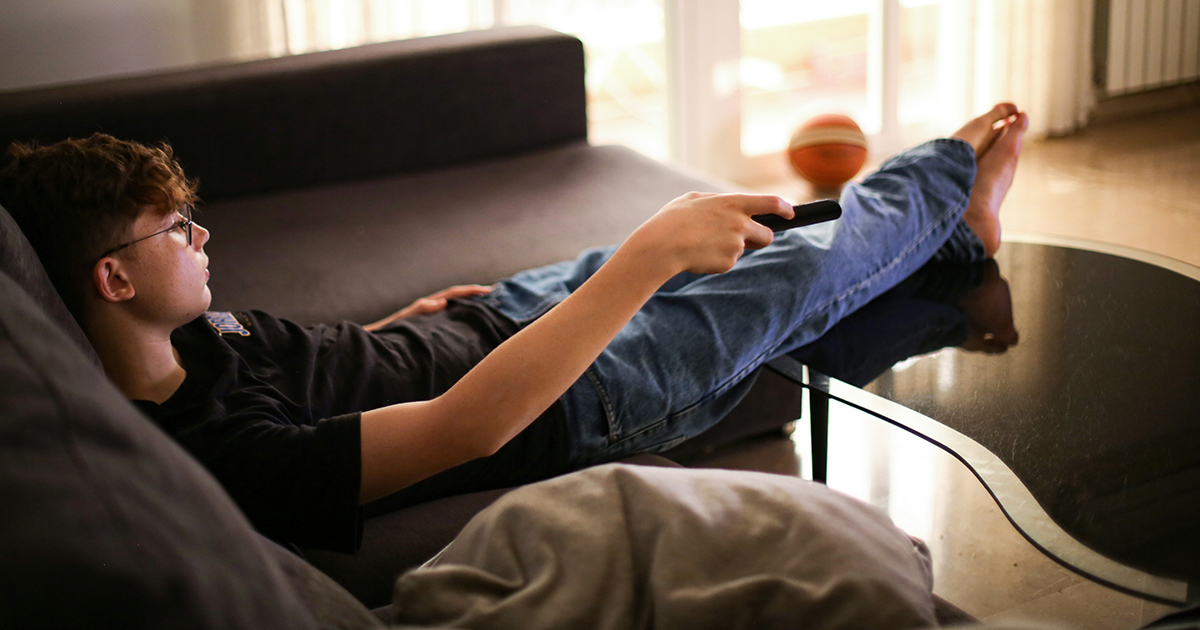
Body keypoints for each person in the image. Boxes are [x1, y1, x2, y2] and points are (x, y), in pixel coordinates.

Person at [0, 103, 1028, 552]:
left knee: (753, 262)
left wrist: (411, 317)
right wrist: (646, 257)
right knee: (795, 258)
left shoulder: (187, 342)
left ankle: (957, 246)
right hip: (575, 392)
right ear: (112, 277)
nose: (201, 236)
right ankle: (948, 169)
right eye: (176, 231)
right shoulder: (229, 457)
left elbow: (327, 367)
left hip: (502, 318)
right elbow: (464, 433)